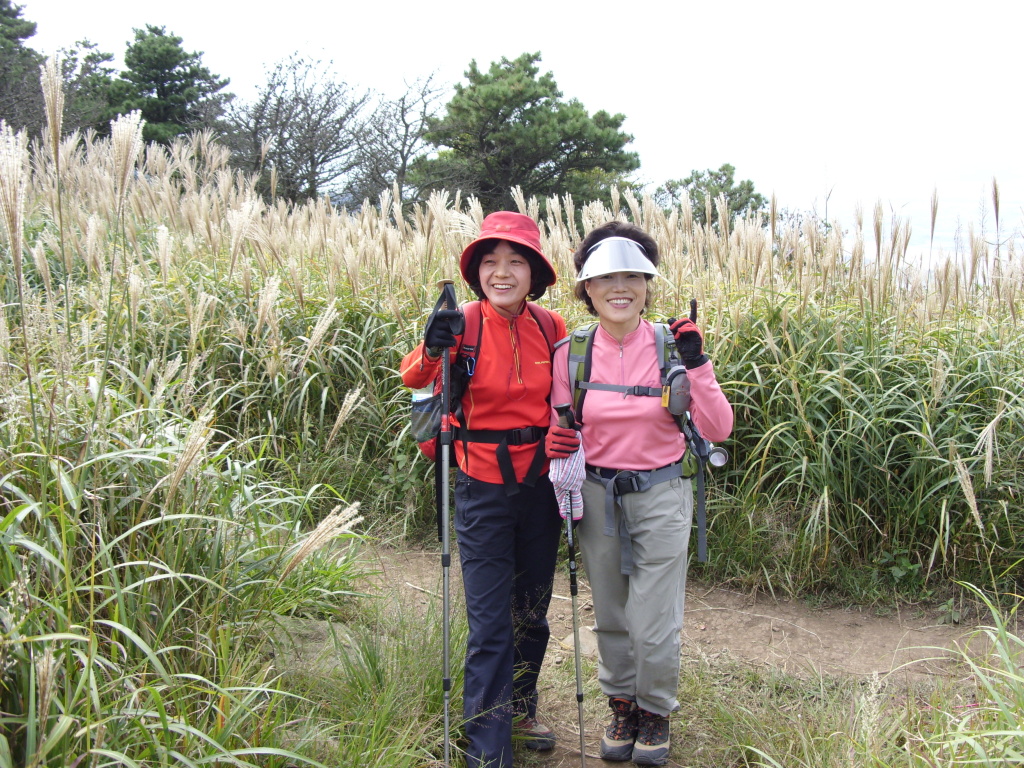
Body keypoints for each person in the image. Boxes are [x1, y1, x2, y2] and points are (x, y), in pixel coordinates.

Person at [547, 221, 733, 765]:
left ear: (648, 285)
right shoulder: (571, 353)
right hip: (597, 496)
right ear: (587, 289)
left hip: (662, 495)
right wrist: (557, 443)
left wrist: (698, 365)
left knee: (654, 618)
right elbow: (560, 425)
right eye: (606, 278)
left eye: (632, 275)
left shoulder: (674, 347)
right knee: (610, 611)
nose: (619, 287)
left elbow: (718, 428)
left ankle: (655, 711)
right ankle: (622, 704)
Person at [400, 211, 572, 768]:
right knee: (492, 618)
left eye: (516, 261)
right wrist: (432, 347)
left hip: (541, 484)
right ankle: (487, 744)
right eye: (491, 262)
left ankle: (521, 708)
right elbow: (414, 379)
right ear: (477, 271)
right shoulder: (462, 322)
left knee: (531, 609)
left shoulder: (552, 327)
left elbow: (569, 396)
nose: (503, 272)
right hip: (480, 485)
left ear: (534, 272)